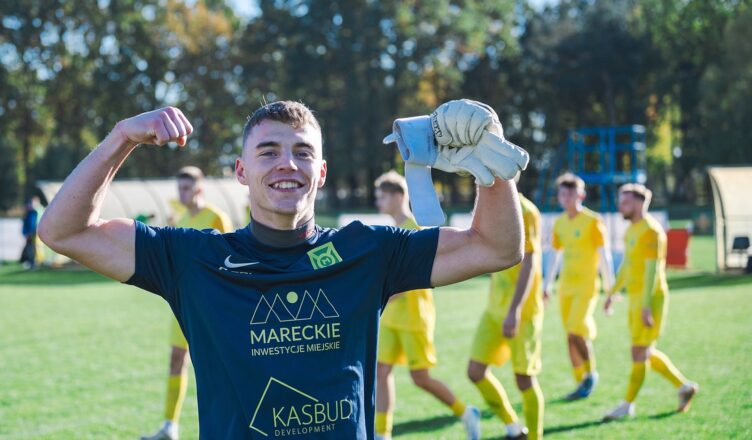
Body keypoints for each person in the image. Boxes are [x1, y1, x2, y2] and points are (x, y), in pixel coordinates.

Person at [38, 99, 527, 439]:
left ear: (321, 172)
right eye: (268, 152)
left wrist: (490, 168)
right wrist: (122, 137)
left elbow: (496, 248)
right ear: (241, 171)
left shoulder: (368, 251)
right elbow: (64, 231)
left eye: (302, 152)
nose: (287, 164)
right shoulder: (191, 259)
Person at [373, 171, 480, 440]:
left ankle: (466, 412)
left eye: (382, 196)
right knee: (381, 372)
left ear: (398, 196)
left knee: (420, 377)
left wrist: (377, 299)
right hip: (390, 317)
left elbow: (409, 281)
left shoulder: (415, 231)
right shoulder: (388, 232)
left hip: (414, 317)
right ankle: (382, 434)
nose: (378, 202)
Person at [142, 166, 233, 440]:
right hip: (182, 304)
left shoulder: (216, 218)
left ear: (199, 189)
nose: (182, 193)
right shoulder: (180, 219)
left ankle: (229, 426)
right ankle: (170, 426)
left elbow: (232, 261)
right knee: (176, 360)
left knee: (218, 367)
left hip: (210, 307)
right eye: (179, 188)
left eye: (186, 188)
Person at [602, 184, 698, 421]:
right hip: (636, 299)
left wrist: (646, 306)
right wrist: (611, 293)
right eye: (620, 201)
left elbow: (652, 272)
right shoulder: (631, 230)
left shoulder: (651, 231)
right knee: (644, 351)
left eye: (625, 202)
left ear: (638, 203)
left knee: (639, 352)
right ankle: (684, 386)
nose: (621, 206)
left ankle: (627, 405)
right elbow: (627, 266)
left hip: (651, 299)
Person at [467, 182, 545, 439]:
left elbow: (530, 262)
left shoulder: (526, 210)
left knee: (524, 379)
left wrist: (515, 310)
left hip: (521, 312)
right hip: (494, 310)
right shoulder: (488, 205)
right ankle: (513, 426)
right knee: (475, 372)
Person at [543, 173, 614, 400]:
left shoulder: (593, 221)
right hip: (565, 287)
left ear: (580, 196)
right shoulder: (559, 223)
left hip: (587, 286)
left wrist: (610, 288)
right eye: (562, 194)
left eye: (570, 194)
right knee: (570, 335)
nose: (566, 198)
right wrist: (546, 285)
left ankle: (591, 374)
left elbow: (605, 255)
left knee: (576, 329)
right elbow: (554, 255)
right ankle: (581, 381)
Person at [20, 196, 41, 269]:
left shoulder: (33, 212)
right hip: (30, 233)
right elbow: (27, 224)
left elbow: (32, 224)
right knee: (30, 248)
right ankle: (30, 262)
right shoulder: (29, 213)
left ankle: (31, 262)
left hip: (32, 233)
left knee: (31, 248)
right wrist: (26, 233)